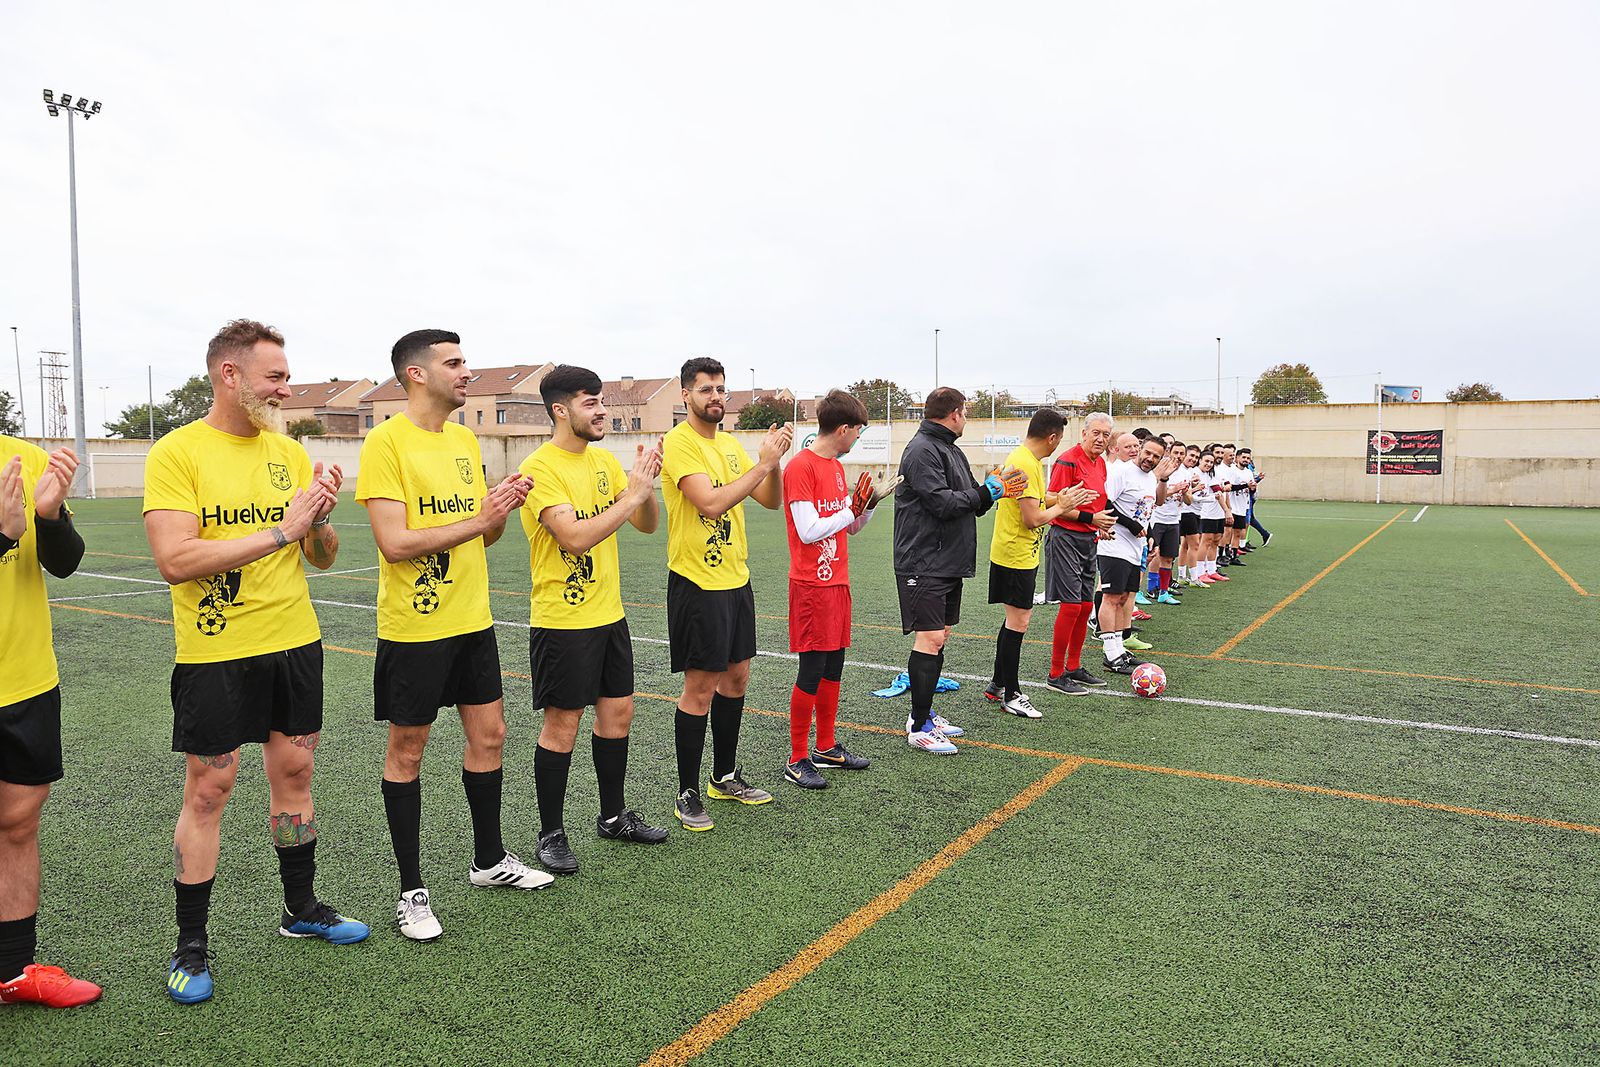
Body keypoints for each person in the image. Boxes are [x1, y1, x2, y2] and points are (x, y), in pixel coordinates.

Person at [144, 320, 368, 1004]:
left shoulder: (288, 454)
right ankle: (190, 945)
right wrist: (281, 528)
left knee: (296, 772)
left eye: (286, 373)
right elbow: (175, 559)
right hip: (216, 652)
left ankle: (299, 909)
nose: (286, 386)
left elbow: (319, 556)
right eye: (274, 375)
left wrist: (320, 520)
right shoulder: (177, 453)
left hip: (294, 643)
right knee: (210, 791)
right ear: (229, 375)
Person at [357, 329, 549, 945]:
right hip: (416, 627)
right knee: (409, 751)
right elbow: (395, 543)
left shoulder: (467, 440)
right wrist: (480, 518)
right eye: (455, 363)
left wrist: (498, 511)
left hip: (474, 620)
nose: (467, 372)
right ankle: (411, 891)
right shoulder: (385, 443)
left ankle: (489, 860)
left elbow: (482, 536)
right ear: (417, 374)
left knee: (491, 736)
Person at [517, 365, 669, 872]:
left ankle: (612, 815)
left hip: (610, 615)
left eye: (602, 400)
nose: (602, 410)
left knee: (618, 715)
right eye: (590, 402)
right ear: (560, 410)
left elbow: (644, 524)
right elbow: (575, 537)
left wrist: (645, 487)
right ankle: (551, 833)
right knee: (563, 726)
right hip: (563, 619)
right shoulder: (539, 469)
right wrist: (631, 496)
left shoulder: (605, 462)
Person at [661, 357, 791, 830]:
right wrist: (764, 464)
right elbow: (711, 503)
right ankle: (687, 791)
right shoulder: (679, 444)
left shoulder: (733, 446)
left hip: (736, 579)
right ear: (686, 396)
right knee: (699, 687)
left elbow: (770, 500)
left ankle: (724, 775)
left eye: (720, 389)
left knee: (736, 679)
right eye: (705, 389)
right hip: (698, 583)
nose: (715, 396)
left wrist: (770, 464)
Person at [0, 441, 99, 1009]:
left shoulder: (24, 458)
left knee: (16, 825)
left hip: (26, 680)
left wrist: (49, 516)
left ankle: (14, 969)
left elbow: (63, 562)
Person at [892, 387, 1025, 753]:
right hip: (923, 561)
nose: (966, 418)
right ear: (954, 413)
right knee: (930, 639)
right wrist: (986, 492)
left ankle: (924, 713)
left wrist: (993, 490)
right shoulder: (922, 450)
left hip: (946, 560)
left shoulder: (949, 448)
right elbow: (942, 503)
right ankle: (919, 727)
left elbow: (970, 501)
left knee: (941, 636)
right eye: (965, 411)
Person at [781, 389, 881, 788]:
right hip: (811, 586)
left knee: (834, 666)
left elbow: (849, 527)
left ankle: (825, 746)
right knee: (812, 669)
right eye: (857, 432)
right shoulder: (800, 467)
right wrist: (849, 510)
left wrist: (869, 505)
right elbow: (808, 530)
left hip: (837, 582)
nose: (857, 439)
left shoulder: (837, 468)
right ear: (843, 429)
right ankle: (797, 757)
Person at [982, 408, 1092, 717]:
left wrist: (1062, 497)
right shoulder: (1025, 464)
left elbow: (1037, 502)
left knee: (1013, 621)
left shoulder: (1024, 458)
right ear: (1052, 437)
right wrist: (1064, 507)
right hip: (1015, 553)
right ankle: (1012, 694)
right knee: (1019, 622)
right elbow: (1032, 519)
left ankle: (998, 685)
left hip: (1015, 551)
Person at [1043, 413, 1117, 695]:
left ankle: (1073, 667)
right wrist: (1092, 519)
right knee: (1072, 606)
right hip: (1065, 538)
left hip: (1088, 538)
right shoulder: (1067, 460)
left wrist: (1100, 526)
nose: (1100, 438)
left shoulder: (1100, 464)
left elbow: (1097, 504)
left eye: (1106, 435)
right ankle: (1055, 673)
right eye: (1096, 433)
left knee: (1087, 606)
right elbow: (1054, 502)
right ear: (1083, 433)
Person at [1098, 436, 1179, 674]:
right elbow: (1105, 501)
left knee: (1124, 598)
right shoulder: (1122, 472)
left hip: (1135, 547)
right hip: (1114, 544)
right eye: (1148, 453)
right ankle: (1111, 655)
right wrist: (1131, 525)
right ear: (1140, 450)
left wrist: (1150, 534)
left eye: (1156, 456)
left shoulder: (1148, 479)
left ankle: (1120, 649)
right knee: (1111, 598)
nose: (1150, 459)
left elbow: (1147, 510)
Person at [1144, 438, 1190, 606]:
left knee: (1168, 558)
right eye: (1175, 452)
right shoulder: (1160, 469)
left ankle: (1164, 592)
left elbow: (1189, 500)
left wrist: (1185, 492)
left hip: (1174, 520)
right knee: (1150, 556)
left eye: (1181, 453)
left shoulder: (1185, 473)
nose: (1178, 456)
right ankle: (1148, 589)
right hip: (1157, 519)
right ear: (1169, 453)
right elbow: (1156, 497)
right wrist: (1173, 489)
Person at [1192, 450, 1230, 584]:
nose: (1209, 464)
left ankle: (1212, 570)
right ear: (1200, 460)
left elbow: (1218, 492)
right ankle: (1200, 572)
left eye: (1211, 462)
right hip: (1205, 512)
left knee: (1216, 540)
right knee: (1206, 541)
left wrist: (1226, 510)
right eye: (1206, 461)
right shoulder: (1195, 474)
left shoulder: (1210, 475)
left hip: (1217, 512)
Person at [1175, 444, 1207, 588]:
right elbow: (1186, 496)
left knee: (1186, 545)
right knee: (1194, 544)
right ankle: (1194, 577)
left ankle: (1182, 575)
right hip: (1187, 512)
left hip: (1188, 511)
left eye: (1196, 457)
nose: (1193, 459)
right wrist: (1196, 489)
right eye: (1191, 456)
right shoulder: (1180, 471)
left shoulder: (1188, 472)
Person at [1238, 447, 1273, 547]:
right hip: (1243, 498)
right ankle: (1245, 542)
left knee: (1247, 520)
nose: (1246, 459)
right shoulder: (1236, 469)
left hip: (1248, 497)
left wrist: (1257, 480)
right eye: (1243, 457)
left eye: (1248, 458)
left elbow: (1251, 482)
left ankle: (1243, 543)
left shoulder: (1248, 468)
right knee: (1248, 519)